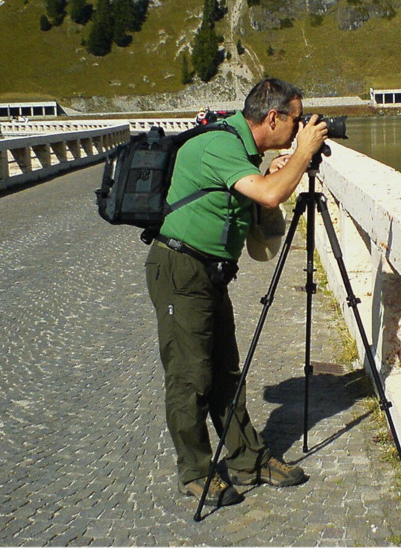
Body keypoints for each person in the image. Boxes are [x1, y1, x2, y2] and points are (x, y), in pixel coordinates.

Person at [145, 78, 328, 508]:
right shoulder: (222, 145)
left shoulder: (243, 149)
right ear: (273, 118)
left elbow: (258, 204)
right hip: (180, 269)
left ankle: (248, 459)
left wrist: (283, 164)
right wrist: (301, 155)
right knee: (191, 377)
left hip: (209, 272)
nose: (301, 127)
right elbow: (268, 194)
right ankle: (194, 473)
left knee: (228, 372)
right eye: (297, 120)